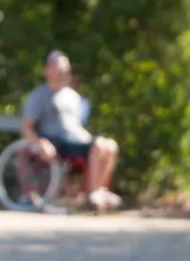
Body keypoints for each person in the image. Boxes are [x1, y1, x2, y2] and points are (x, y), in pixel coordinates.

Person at [21, 51, 120, 213]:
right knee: (98, 146)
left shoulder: (73, 97)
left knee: (109, 146)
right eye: (59, 69)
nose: (63, 73)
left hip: (77, 139)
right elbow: (27, 127)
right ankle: (92, 195)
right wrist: (40, 143)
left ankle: (99, 191)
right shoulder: (38, 96)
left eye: (66, 69)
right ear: (47, 70)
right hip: (57, 142)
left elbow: (78, 126)